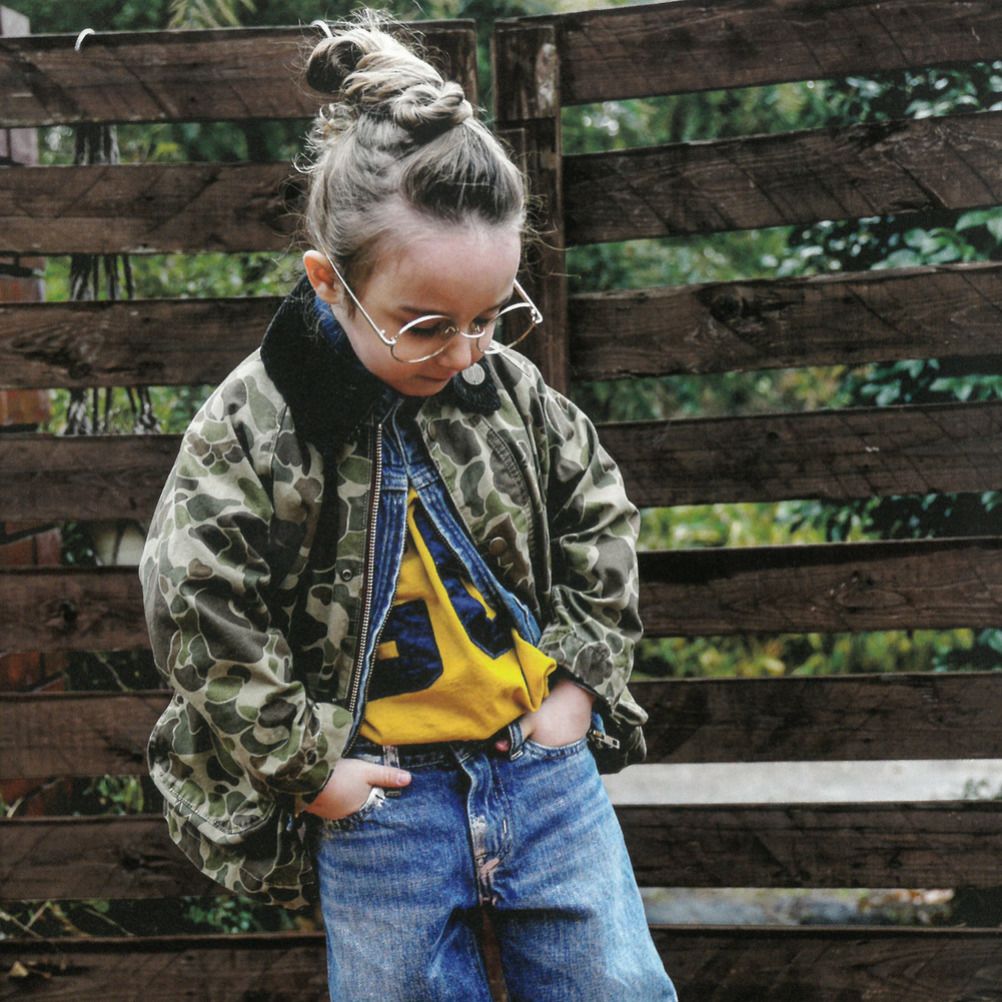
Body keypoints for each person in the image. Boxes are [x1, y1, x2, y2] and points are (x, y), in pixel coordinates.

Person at [141, 12, 677, 1002]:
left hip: (543, 774)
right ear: (328, 282)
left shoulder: (506, 388)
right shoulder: (251, 426)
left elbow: (599, 511)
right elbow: (198, 601)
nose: (466, 352)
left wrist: (578, 688)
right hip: (380, 803)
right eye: (426, 326)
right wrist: (310, 769)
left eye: (490, 317)